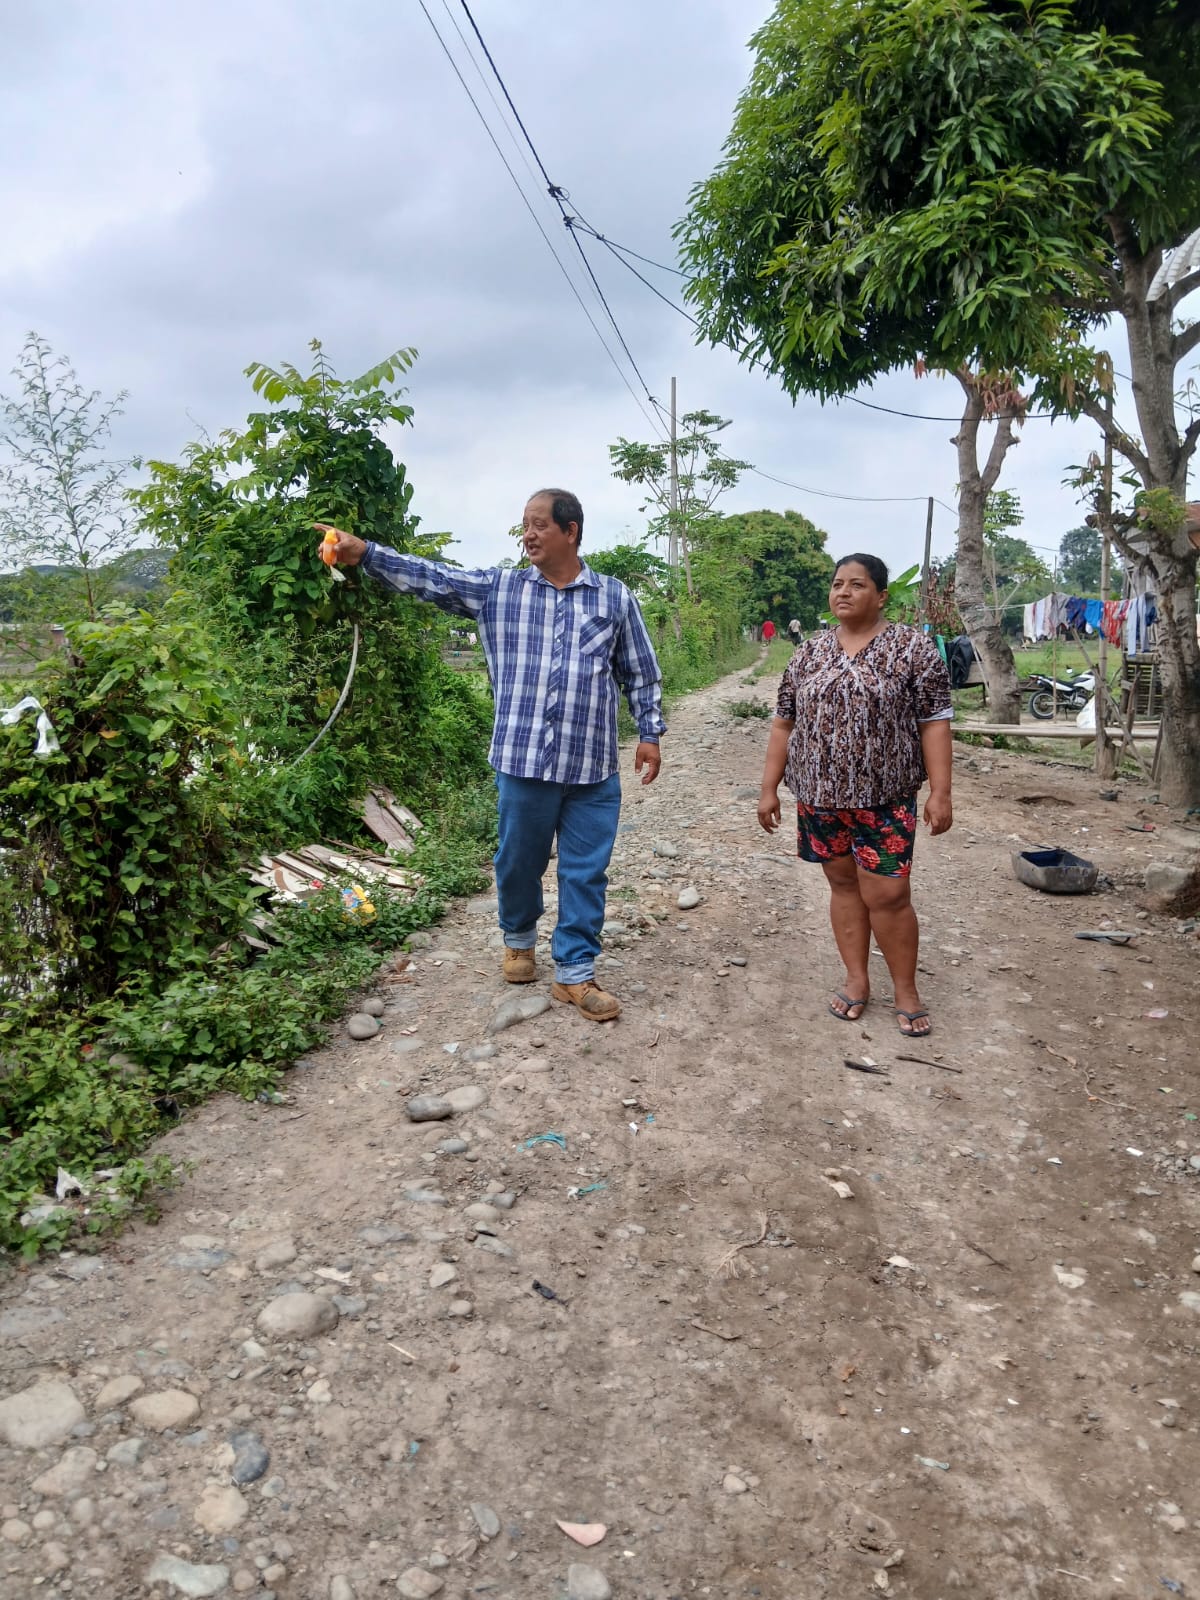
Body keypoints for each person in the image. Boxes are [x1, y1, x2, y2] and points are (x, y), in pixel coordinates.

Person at [316, 489, 665, 1022]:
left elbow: (640, 670)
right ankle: (519, 939)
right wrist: (366, 553)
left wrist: (650, 731)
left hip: (592, 766)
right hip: (523, 760)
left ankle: (575, 972)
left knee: (586, 871)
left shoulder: (614, 598)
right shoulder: (499, 590)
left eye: (539, 524)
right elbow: (432, 577)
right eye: (524, 525)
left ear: (571, 531)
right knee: (517, 862)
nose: (528, 534)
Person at [756, 553, 952, 1037]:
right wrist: (768, 789)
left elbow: (934, 722)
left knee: (889, 894)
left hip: (886, 798)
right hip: (820, 796)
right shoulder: (809, 653)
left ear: (881, 596)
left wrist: (940, 792)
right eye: (837, 584)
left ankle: (905, 990)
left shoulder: (912, 649)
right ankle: (856, 979)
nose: (843, 592)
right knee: (843, 886)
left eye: (857, 584)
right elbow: (783, 722)